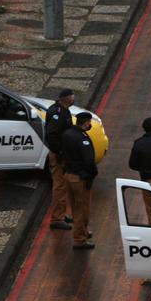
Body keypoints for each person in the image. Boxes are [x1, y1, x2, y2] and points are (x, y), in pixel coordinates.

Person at [62, 112, 98, 250]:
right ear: (87, 122)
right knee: (82, 210)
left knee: (75, 207)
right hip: (80, 178)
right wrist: (92, 173)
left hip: (69, 175)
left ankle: (82, 232)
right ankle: (79, 239)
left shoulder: (67, 134)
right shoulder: (83, 138)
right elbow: (89, 160)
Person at [44, 88, 75, 230]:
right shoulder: (58, 113)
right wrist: (60, 153)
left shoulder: (63, 110)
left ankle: (61, 213)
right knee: (60, 186)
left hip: (62, 154)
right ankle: (57, 218)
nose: (74, 98)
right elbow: (52, 135)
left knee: (63, 186)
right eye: (72, 96)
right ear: (67, 98)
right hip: (58, 156)